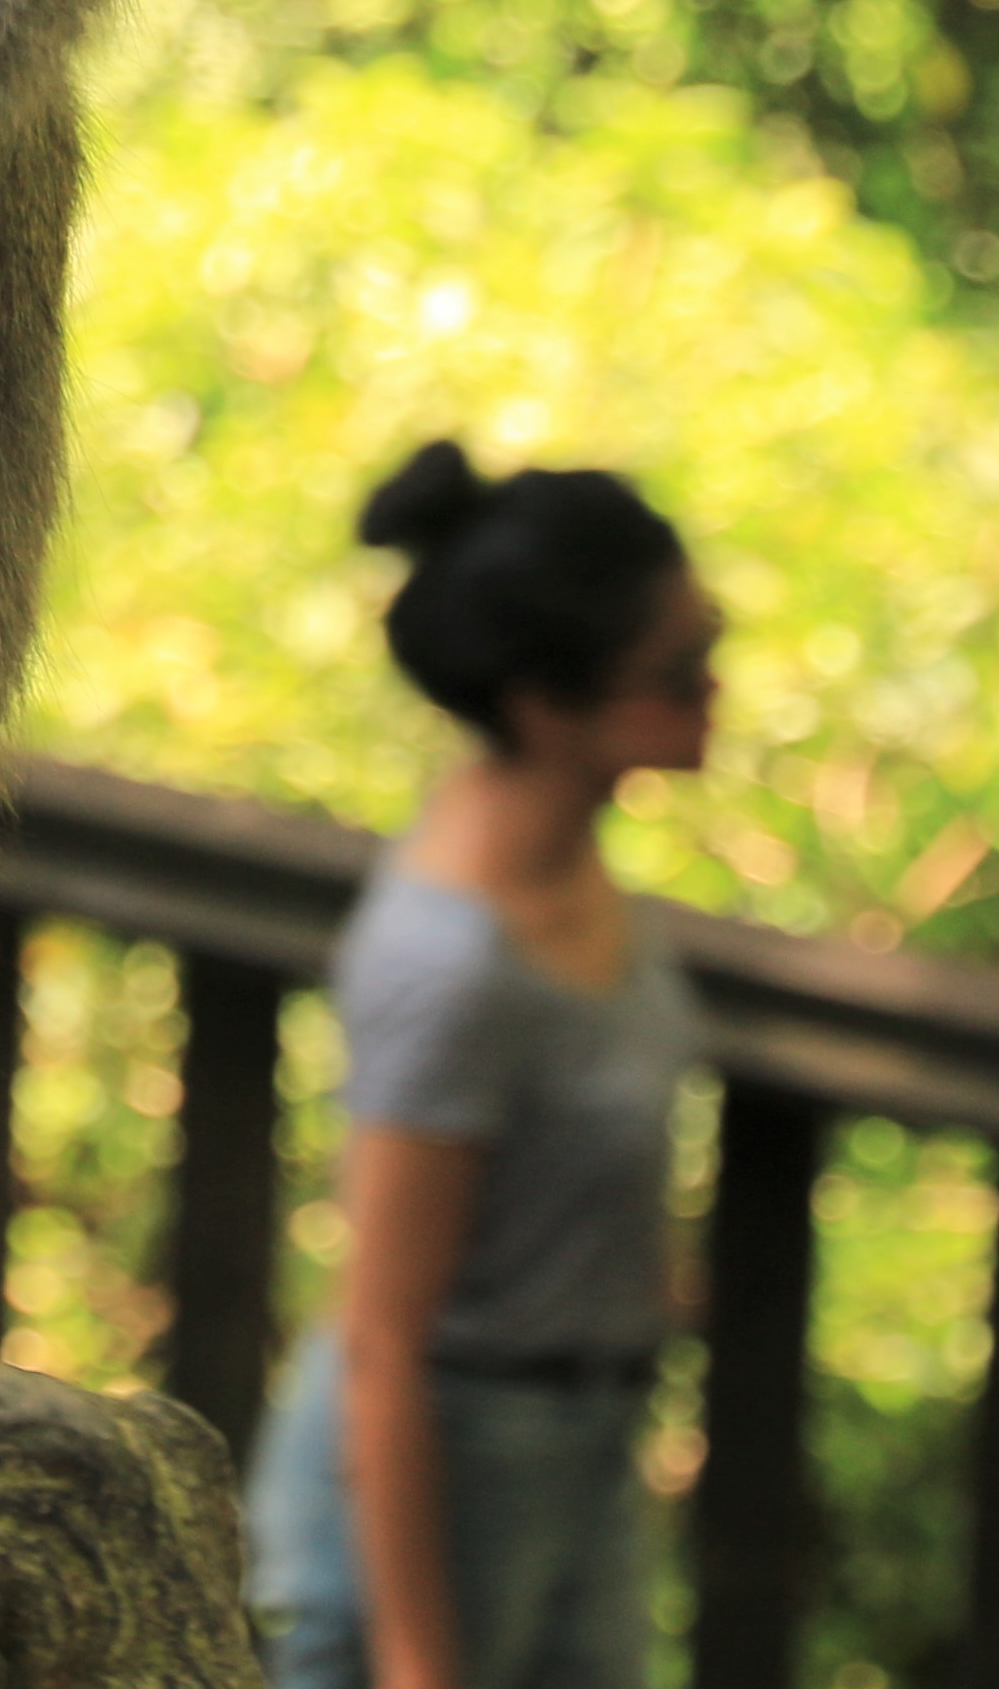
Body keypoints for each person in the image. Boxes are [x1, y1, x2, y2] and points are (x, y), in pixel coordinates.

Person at [247, 439, 723, 1689]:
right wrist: (415, 1660)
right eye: (676, 674)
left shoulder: (568, 858)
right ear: (542, 706)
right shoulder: (448, 964)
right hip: (434, 1478)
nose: (713, 694)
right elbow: (380, 1339)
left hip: (583, 1447)